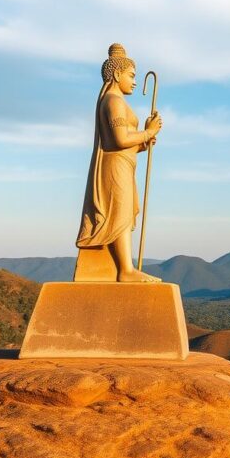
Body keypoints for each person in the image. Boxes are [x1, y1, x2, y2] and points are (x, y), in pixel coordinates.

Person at [75, 43, 162, 282]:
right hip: (115, 167)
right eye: (131, 76)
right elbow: (120, 139)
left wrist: (144, 142)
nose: (134, 82)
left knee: (123, 214)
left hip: (123, 164)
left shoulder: (116, 101)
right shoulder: (113, 101)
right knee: (120, 215)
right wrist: (147, 132)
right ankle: (125, 270)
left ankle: (126, 268)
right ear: (116, 73)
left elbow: (122, 143)